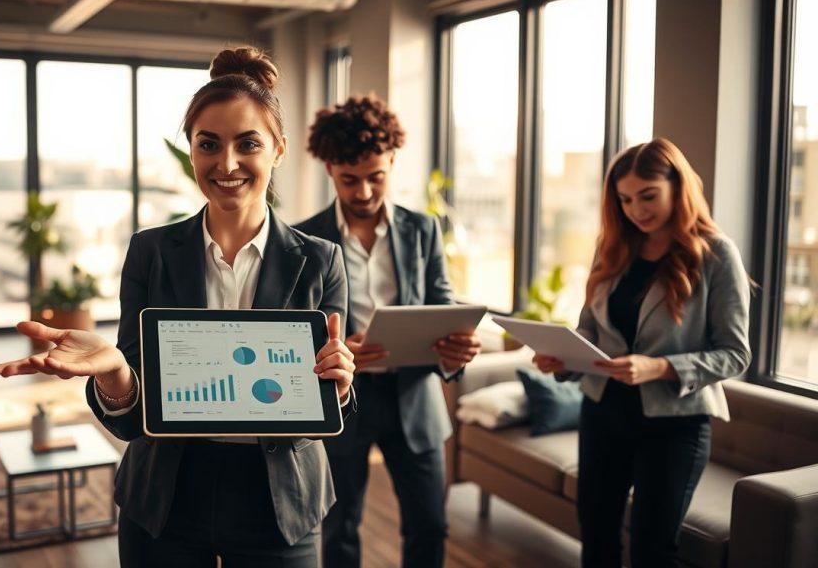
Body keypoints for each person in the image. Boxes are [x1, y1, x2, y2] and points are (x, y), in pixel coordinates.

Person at [0, 46, 357, 568]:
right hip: (166, 495)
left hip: (280, 499)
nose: (226, 164)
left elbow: (328, 402)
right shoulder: (151, 252)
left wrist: (338, 385)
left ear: (279, 149)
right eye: (209, 144)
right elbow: (133, 417)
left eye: (247, 143)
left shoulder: (321, 260)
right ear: (192, 152)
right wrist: (116, 371)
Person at [531, 138, 752, 568]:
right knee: (596, 541)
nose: (636, 209)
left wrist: (660, 367)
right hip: (602, 414)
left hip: (675, 427)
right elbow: (590, 329)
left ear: (678, 186)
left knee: (653, 552)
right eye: (625, 199)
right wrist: (564, 360)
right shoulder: (613, 247)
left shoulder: (716, 255)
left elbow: (735, 353)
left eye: (648, 196)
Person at [295, 94, 482, 568]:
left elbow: (441, 302)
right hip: (342, 401)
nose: (362, 192)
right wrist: (332, 348)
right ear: (329, 170)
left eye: (375, 176)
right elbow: (295, 327)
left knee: (429, 526)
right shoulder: (305, 240)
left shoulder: (423, 230)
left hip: (414, 397)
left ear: (393, 161)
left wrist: (454, 347)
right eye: (349, 179)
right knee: (340, 528)